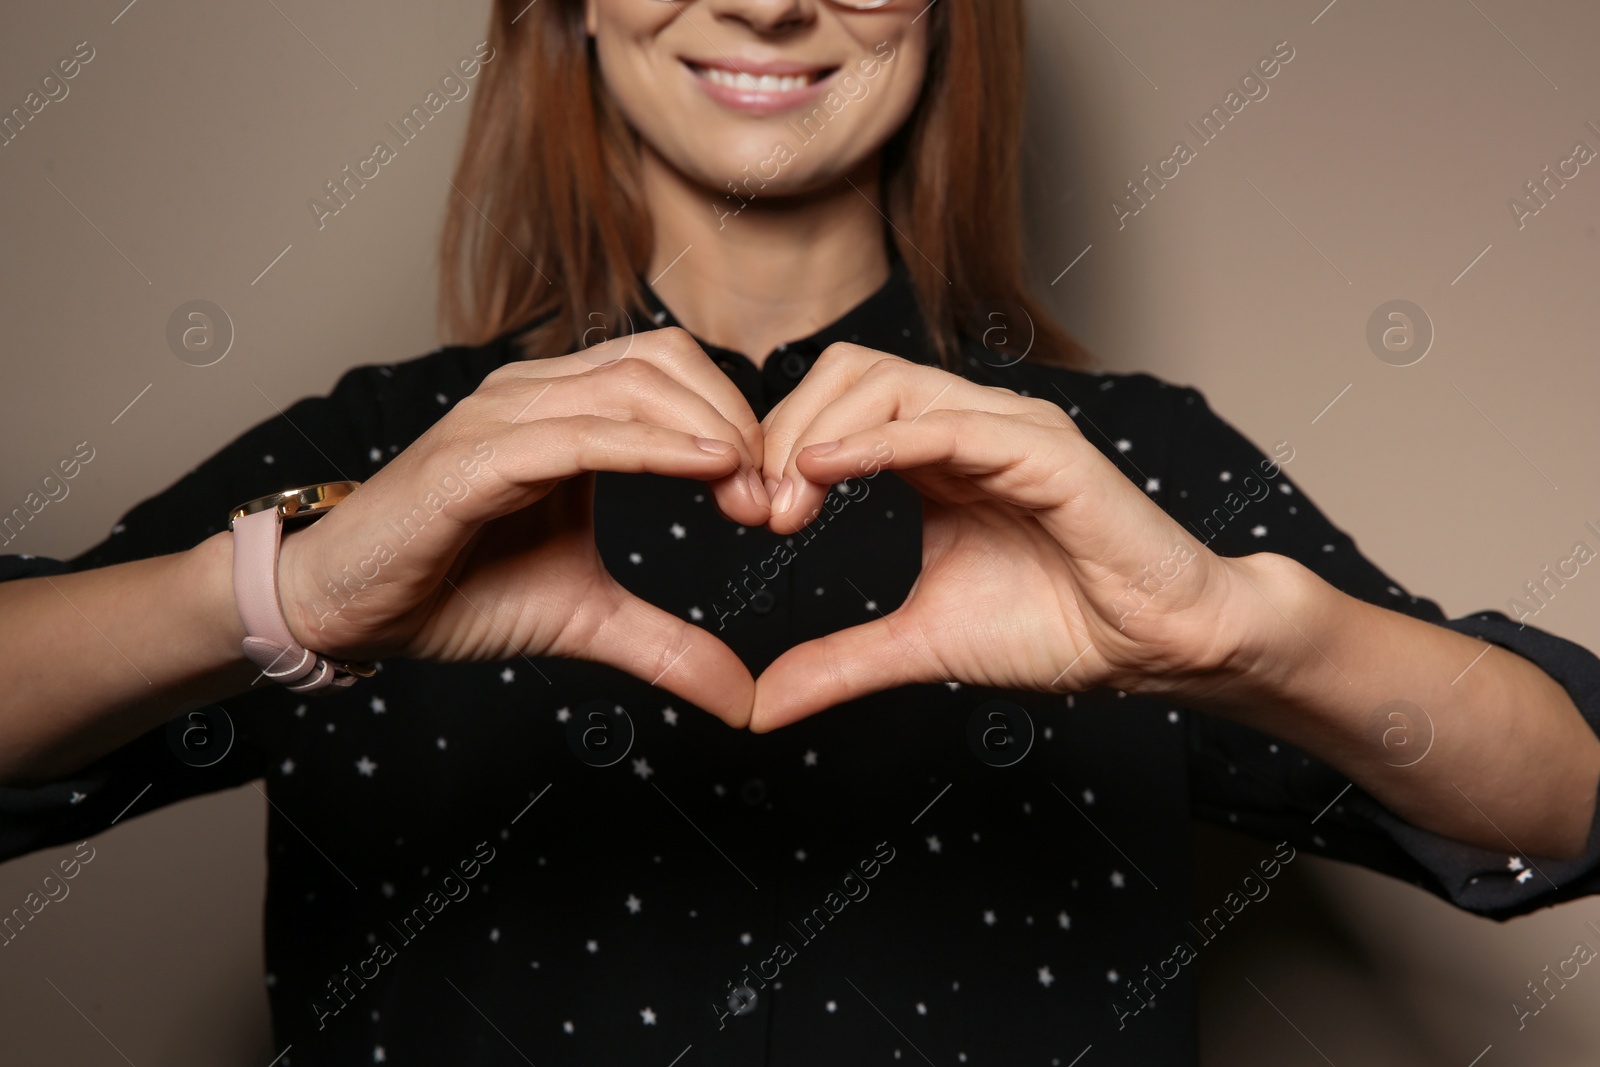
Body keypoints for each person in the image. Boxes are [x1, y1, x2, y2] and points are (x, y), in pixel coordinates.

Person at [3, 0, 1598, 1062]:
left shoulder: (1125, 463)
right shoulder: (377, 454)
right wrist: (288, 596)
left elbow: (1575, 794)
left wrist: (1241, 634)